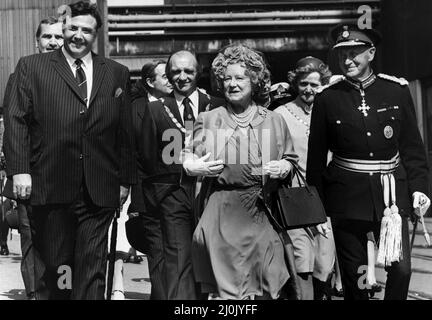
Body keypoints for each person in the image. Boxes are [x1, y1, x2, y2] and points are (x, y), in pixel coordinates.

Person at [4, 1, 136, 300]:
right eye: (73, 28)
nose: (78, 35)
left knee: (91, 269)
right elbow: (15, 120)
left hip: (98, 189)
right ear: (64, 29)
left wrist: (125, 181)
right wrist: (20, 170)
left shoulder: (116, 73)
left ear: (96, 34)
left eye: (86, 30)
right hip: (50, 185)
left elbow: (125, 133)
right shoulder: (32, 66)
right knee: (55, 269)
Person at [306, 24, 430, 300]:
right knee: (357, 277)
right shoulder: (327, 98)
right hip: (347, 199)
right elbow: (315, 159)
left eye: (354, 53)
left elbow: (412, 147)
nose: (347, 60)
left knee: (401, 271)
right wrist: (317, 209)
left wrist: (419, 188)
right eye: (342, 55)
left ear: (371, 53)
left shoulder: (396, 91)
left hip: (392, 200)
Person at [181, 44, 298, 300]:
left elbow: (290, 158)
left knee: (268, 283)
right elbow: (187, 155)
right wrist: (192, 165)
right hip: (224, 212)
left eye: (240, 77)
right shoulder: (208, 119)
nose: (232, 84)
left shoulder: (273, 119)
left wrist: (283, 166)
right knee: (231, 292)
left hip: (263, 211)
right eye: (226, 79)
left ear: (254, 81)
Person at [138, 50, 223, 300]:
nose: (182, 77)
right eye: (175, 71)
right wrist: (183, 167)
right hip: (173, 195)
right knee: (178, 258)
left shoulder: (216, 105)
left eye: (188, 71)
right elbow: (148, 157)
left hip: (211, 194)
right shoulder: (155, 110)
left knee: (207, 260)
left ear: (199, 73)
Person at [0, 16, 64, 300]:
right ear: (36, 42)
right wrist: (18, 171)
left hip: (70, 177)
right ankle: (37, 295)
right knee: (33, 240)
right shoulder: (22, 73)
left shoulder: (80, 75)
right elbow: (13, 126)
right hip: (34, 176)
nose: (53, 42)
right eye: (47, 37)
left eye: (58, 37)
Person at [275, 56, 338, 300]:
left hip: (327, 199)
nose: (309, 89)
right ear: (295, 84)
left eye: (315, 84)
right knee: (301, 260)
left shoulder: (331, 111)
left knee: (325, 260)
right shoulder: (280, 114)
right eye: (304, 84)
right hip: (296, 198)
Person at [127, 60, 173, 300]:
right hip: (148, 191)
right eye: (164, 76)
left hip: (180, 192)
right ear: (149, 82)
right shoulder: (134, 108)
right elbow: (133, 152)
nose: (171, 80)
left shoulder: (183, 105)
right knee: (157, 252)